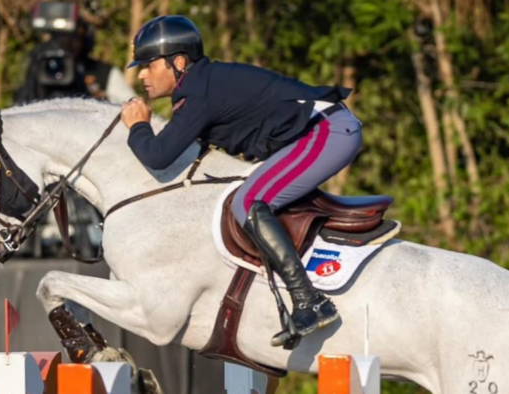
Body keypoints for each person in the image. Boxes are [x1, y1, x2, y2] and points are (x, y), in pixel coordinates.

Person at [120, 15, 362, 347]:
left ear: (178, 63)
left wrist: (138, 126)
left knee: (248, 201)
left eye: (148, 64)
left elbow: (158, 155)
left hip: (326, 130)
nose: (142, 74)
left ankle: (310, 301)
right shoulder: (198, 87)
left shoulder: (198, 94)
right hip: (315, 132)